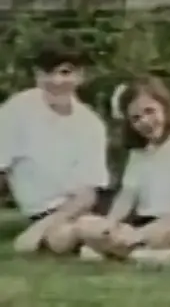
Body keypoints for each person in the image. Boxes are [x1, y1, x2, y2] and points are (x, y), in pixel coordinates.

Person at [73, 77, 170, 267]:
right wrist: (110, 224)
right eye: (136, 118)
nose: (145, 121)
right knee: (85, 223)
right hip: (143, 222)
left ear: (165, 107)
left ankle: (121, 250)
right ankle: (140, 253)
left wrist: (141, 233)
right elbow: (127, 196)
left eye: (150, 111)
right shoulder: (139, 153)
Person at [0, 40, 108, 255]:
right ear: (37, 75)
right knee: (64, 236)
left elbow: (88, 194)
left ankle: (110, 244)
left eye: (65, 72)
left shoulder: (90, 123)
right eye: (47, 73)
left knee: (76, 229)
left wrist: (39, 230)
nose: (56, 81)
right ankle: (97, 244)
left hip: (83, 206)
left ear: (80, 76)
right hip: (44, 209)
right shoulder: (17, 110)